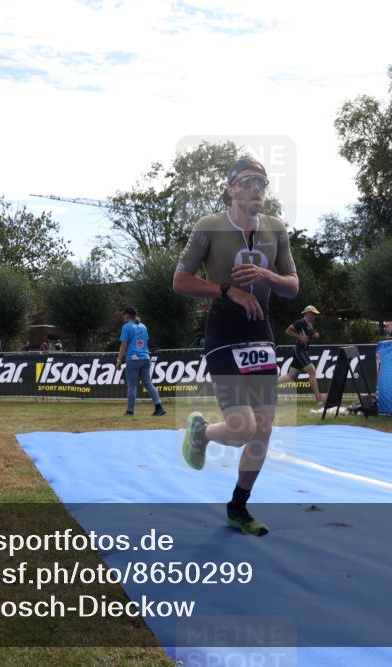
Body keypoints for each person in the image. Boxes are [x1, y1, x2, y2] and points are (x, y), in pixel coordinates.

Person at [173, 156, 299, 537]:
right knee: (243, 427)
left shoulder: (276, 229)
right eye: (246, 181)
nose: (256, 188)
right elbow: (180, 281)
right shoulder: (208, 227)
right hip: (223, 334)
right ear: (230, 189)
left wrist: (267, 276)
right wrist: (227, 290)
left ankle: (238, 507)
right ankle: (202, 432)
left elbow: (293, 286)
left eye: (261, 181)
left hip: (261, 334)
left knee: (263, 429)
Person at [116, 306, 165, 417]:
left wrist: (119, 360)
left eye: (124, 314)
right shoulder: (143, 326)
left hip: (133, 358)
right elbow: (145, 342)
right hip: (145, 357)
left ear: (127, 315)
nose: (123, 316)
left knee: (132, 386)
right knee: (148, 384)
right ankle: (159, 407)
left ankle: (130, 411)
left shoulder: (126, 327)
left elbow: (123, 345)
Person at [278, 305, 326, 403]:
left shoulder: (310, 325)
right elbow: (288, 331)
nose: (315, 316)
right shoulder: (300, 322)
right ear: (308, 313)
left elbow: (311, 335)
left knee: (291, 376)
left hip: (303, 351)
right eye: (314, 314)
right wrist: (299, 337)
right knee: (312, 371)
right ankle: (318, 398)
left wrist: (315, 335)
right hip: (300, 350)